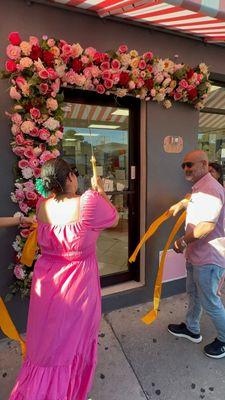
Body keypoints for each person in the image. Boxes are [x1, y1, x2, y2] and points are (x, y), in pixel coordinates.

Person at [10, 157, 119, 400]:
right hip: (77, 283)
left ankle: (39, 389)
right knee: (74, 340)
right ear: (70, 177)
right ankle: (66, 391)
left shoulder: (42, 206)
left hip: (46, 282)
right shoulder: (88, 203)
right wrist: (100, 189)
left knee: (47, 341)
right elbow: (114, 218)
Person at [168, 150, 225, 359]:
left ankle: (224, 340)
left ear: (203, 164)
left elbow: (206, 227)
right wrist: (180, 204)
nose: (186, 169)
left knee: (210, 301)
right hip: (196, 255)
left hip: (209, 258)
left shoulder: (212, 188)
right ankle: (192, 329)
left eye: (189, 165)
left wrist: (182, 242)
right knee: (193, 293)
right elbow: (193, 200)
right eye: (183, 166)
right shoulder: (200, 187)